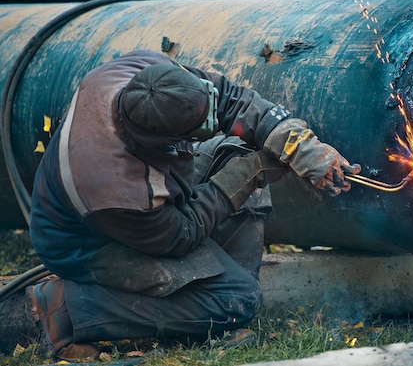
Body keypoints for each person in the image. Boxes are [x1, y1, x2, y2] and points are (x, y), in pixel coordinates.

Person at [0, 50, 360, 360]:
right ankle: (68, 308)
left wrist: (298, 146)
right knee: (238, 298)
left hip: (152, 199)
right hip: (89, 243)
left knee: (239, 152)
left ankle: (218, 301)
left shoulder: (145, 72)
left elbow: (231, 99)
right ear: (164, 140)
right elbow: (179, 234)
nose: (214, 118)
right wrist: (250, 174)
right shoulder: (118, 187)